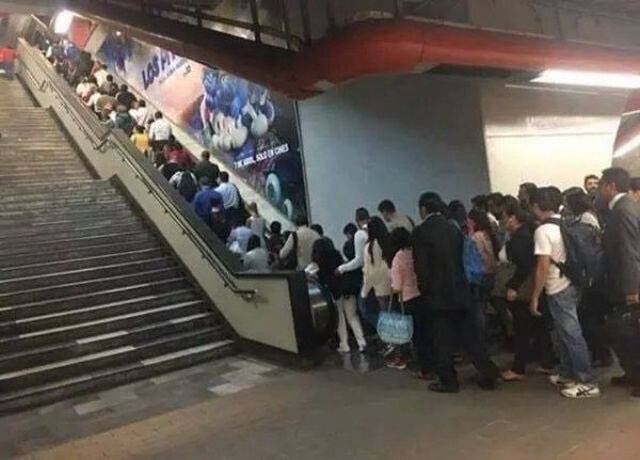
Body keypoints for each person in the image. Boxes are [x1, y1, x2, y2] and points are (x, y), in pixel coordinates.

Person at [413, 192, 499, 393]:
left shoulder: (420, 231)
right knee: (471, 337)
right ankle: (489, 373)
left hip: (437, 295)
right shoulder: (453, 228)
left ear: (423, 209)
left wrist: (424, 291)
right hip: (461, 290)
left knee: (442, 340)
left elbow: (421, 267)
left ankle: (448, 381)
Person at [529, 187, 599, 398]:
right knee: (564, 333)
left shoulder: (543, 231)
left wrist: (535, 296)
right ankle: (568, 373)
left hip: (557, 286)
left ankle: (586, 381)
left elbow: (542, 266)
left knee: (570, 333)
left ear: (536, 206)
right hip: (572, 282)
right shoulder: (566, 223)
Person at [496, 204, 553, 381]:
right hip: (532, 286)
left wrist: (513, 286)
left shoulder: (520, 238)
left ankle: (518, 368)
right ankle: (547, 362)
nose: (503, 221)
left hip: (524, 288)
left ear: (513, 218)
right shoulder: (528, 233)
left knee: (522, 328)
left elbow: (524, 266)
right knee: (539, 326)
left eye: (504, 217)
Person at [600, 167, 640, 397]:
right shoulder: (625, 207)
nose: (600, 191)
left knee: (630, 333)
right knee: (623, 331)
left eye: (602, 185)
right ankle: (632, 373)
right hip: (622, 280)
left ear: (611, 186)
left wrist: (632, 288)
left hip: (629, 283)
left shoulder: (623, 210)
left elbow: (629, 250)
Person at [388, 227, 432, 373]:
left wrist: (392, 288)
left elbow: (397, 286)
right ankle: (433, 363)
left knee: (417, 337)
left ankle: (425, 368)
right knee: (426, 332)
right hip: (421, 295)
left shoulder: (398, 258)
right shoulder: (414, 252)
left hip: (407, 299)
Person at [311, 237, 366, 353]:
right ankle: (362, 343)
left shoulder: (321, 262)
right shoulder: (337, 256)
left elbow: (324, 279)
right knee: (352, 316)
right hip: (348, 289)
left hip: (336, 292)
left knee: (340, 318)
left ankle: (344, 344)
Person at [337, 209, 371, 326]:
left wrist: (341, 268)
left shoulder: (360, 235)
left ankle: (382, 329)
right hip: (382, 271)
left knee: (363, 308)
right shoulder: (375, 229)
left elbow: (359, 260)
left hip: (367, 274)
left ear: (357, 220)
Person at [361, 217, 392, 328]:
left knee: (381, 312)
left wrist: (365, 290)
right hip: (394, 281)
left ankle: (389, 336)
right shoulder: (389, 241)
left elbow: (368, 271)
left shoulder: (369, 247)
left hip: (379, 285)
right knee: (395, 311)